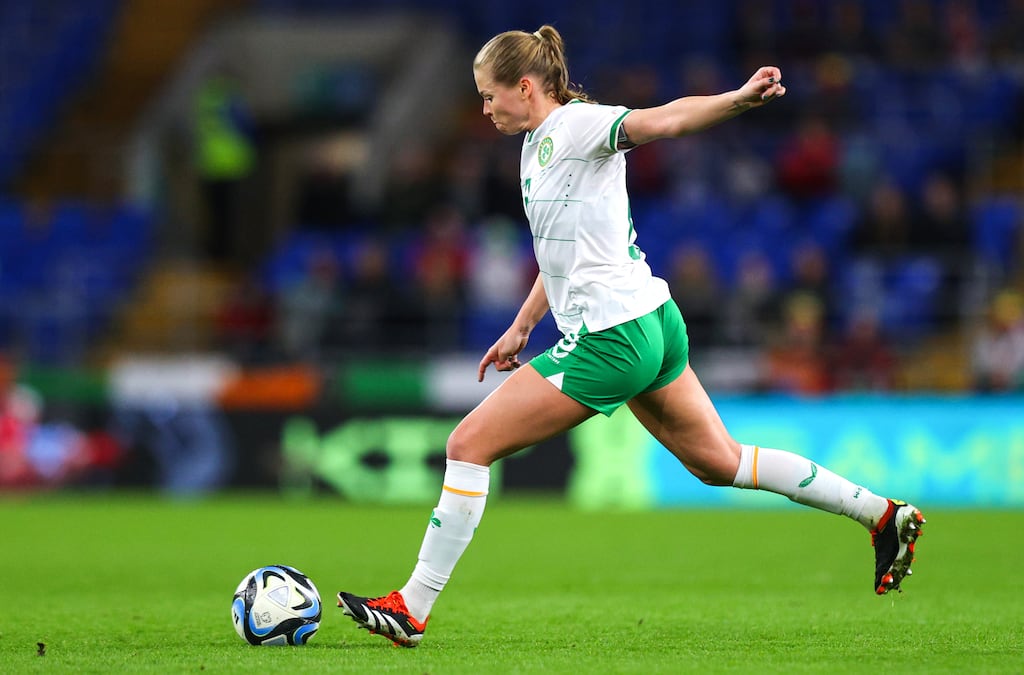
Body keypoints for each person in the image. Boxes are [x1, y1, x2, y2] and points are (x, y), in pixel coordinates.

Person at [337, 25, 925, 647]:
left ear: (527, 87)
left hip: (613, 336)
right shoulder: (534, 145)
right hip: (651, 321)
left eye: (489, 95)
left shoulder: (579, 126)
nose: (484, 108)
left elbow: (663, 121)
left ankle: (413, 607)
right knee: (721, 463)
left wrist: (736, 99)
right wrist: (522, 325)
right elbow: (560, 252)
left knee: (467, 444)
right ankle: (882, 514)